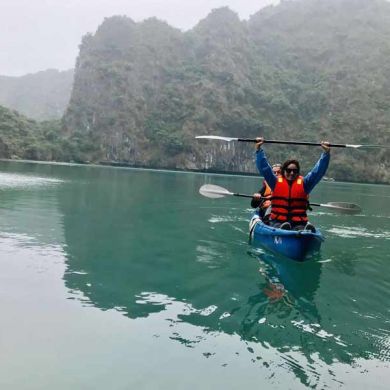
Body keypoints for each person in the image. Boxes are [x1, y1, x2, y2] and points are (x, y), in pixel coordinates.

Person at [255, 137, 331, 231]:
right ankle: (284, 229)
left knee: (300, 228)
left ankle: (305, 231)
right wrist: (259, 150)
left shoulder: (305, 184)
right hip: (277, 221)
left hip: (299, 222)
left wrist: (326, 154)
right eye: (289, 170)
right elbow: (264, 168)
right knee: (280, 226)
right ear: (284, 171)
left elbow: (318, 172)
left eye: (295, 171)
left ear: (298, 172)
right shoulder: (275, 182)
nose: (292, 173)